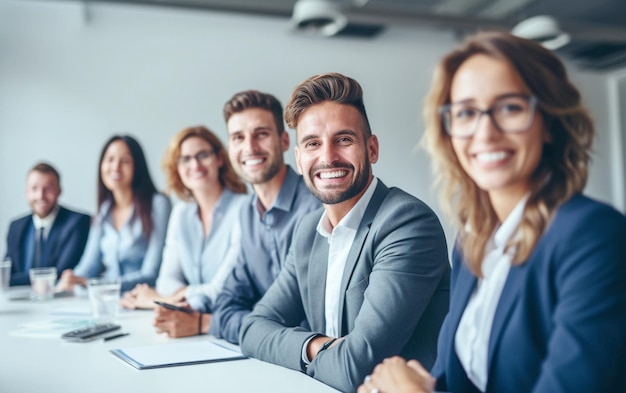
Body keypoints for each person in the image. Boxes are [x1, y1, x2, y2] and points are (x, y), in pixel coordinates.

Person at [358, 31, 626, 393]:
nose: (485, 131)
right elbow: (453, 380)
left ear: (547, 122)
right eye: (466, 112)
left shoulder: (594, 236)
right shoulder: (473, 241)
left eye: (510, 108)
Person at [239, 73, 451, 393]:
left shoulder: (407, 223)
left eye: (344, 139)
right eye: (312, 144)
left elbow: (356, 368)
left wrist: (315, 353)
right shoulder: (308, 231)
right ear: (298, 160)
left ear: (372, 149)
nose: (327, 157)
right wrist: (317, 346)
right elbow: (252, 329)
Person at [152, 90, 320, 340]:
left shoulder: (315, 209)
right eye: (239, 138)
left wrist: (208, 323)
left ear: (284, 141)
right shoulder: (248, 214)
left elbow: (303, 323)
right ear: (230, 148)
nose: (250, 148)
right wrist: (224, 321)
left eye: (261, 134)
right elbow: (226, 304)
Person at [120, 126, 248, 314]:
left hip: (229, 323)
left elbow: (222, 291)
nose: (195, 165)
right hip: (189, 323)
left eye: (203, 155)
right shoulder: (181, 213)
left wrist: (159, 300)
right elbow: (166, 281)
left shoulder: (244, 208)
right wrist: (167, 297)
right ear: (177, 168)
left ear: (220, 158)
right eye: (185, 159)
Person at [57, 135, 171, 293]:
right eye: (109, 159)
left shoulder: (158, 204)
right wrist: (73, 279)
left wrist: (100, 285)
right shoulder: (104, 211)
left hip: (141, 301)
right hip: (106, 300)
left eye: (124, 161)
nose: (115, 167)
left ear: (137, 166)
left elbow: (152, 273)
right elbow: (89, 265)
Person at [5, 162, 90, 286]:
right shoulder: (16, 227)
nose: (40, 196)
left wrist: (14, 280)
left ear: (59, 191)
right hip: (18, 300)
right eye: (34, 188)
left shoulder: (77, 222)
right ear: (26, 191)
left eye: (48, 188)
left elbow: (61, 274)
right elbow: (5, 274)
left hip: (60, 300)